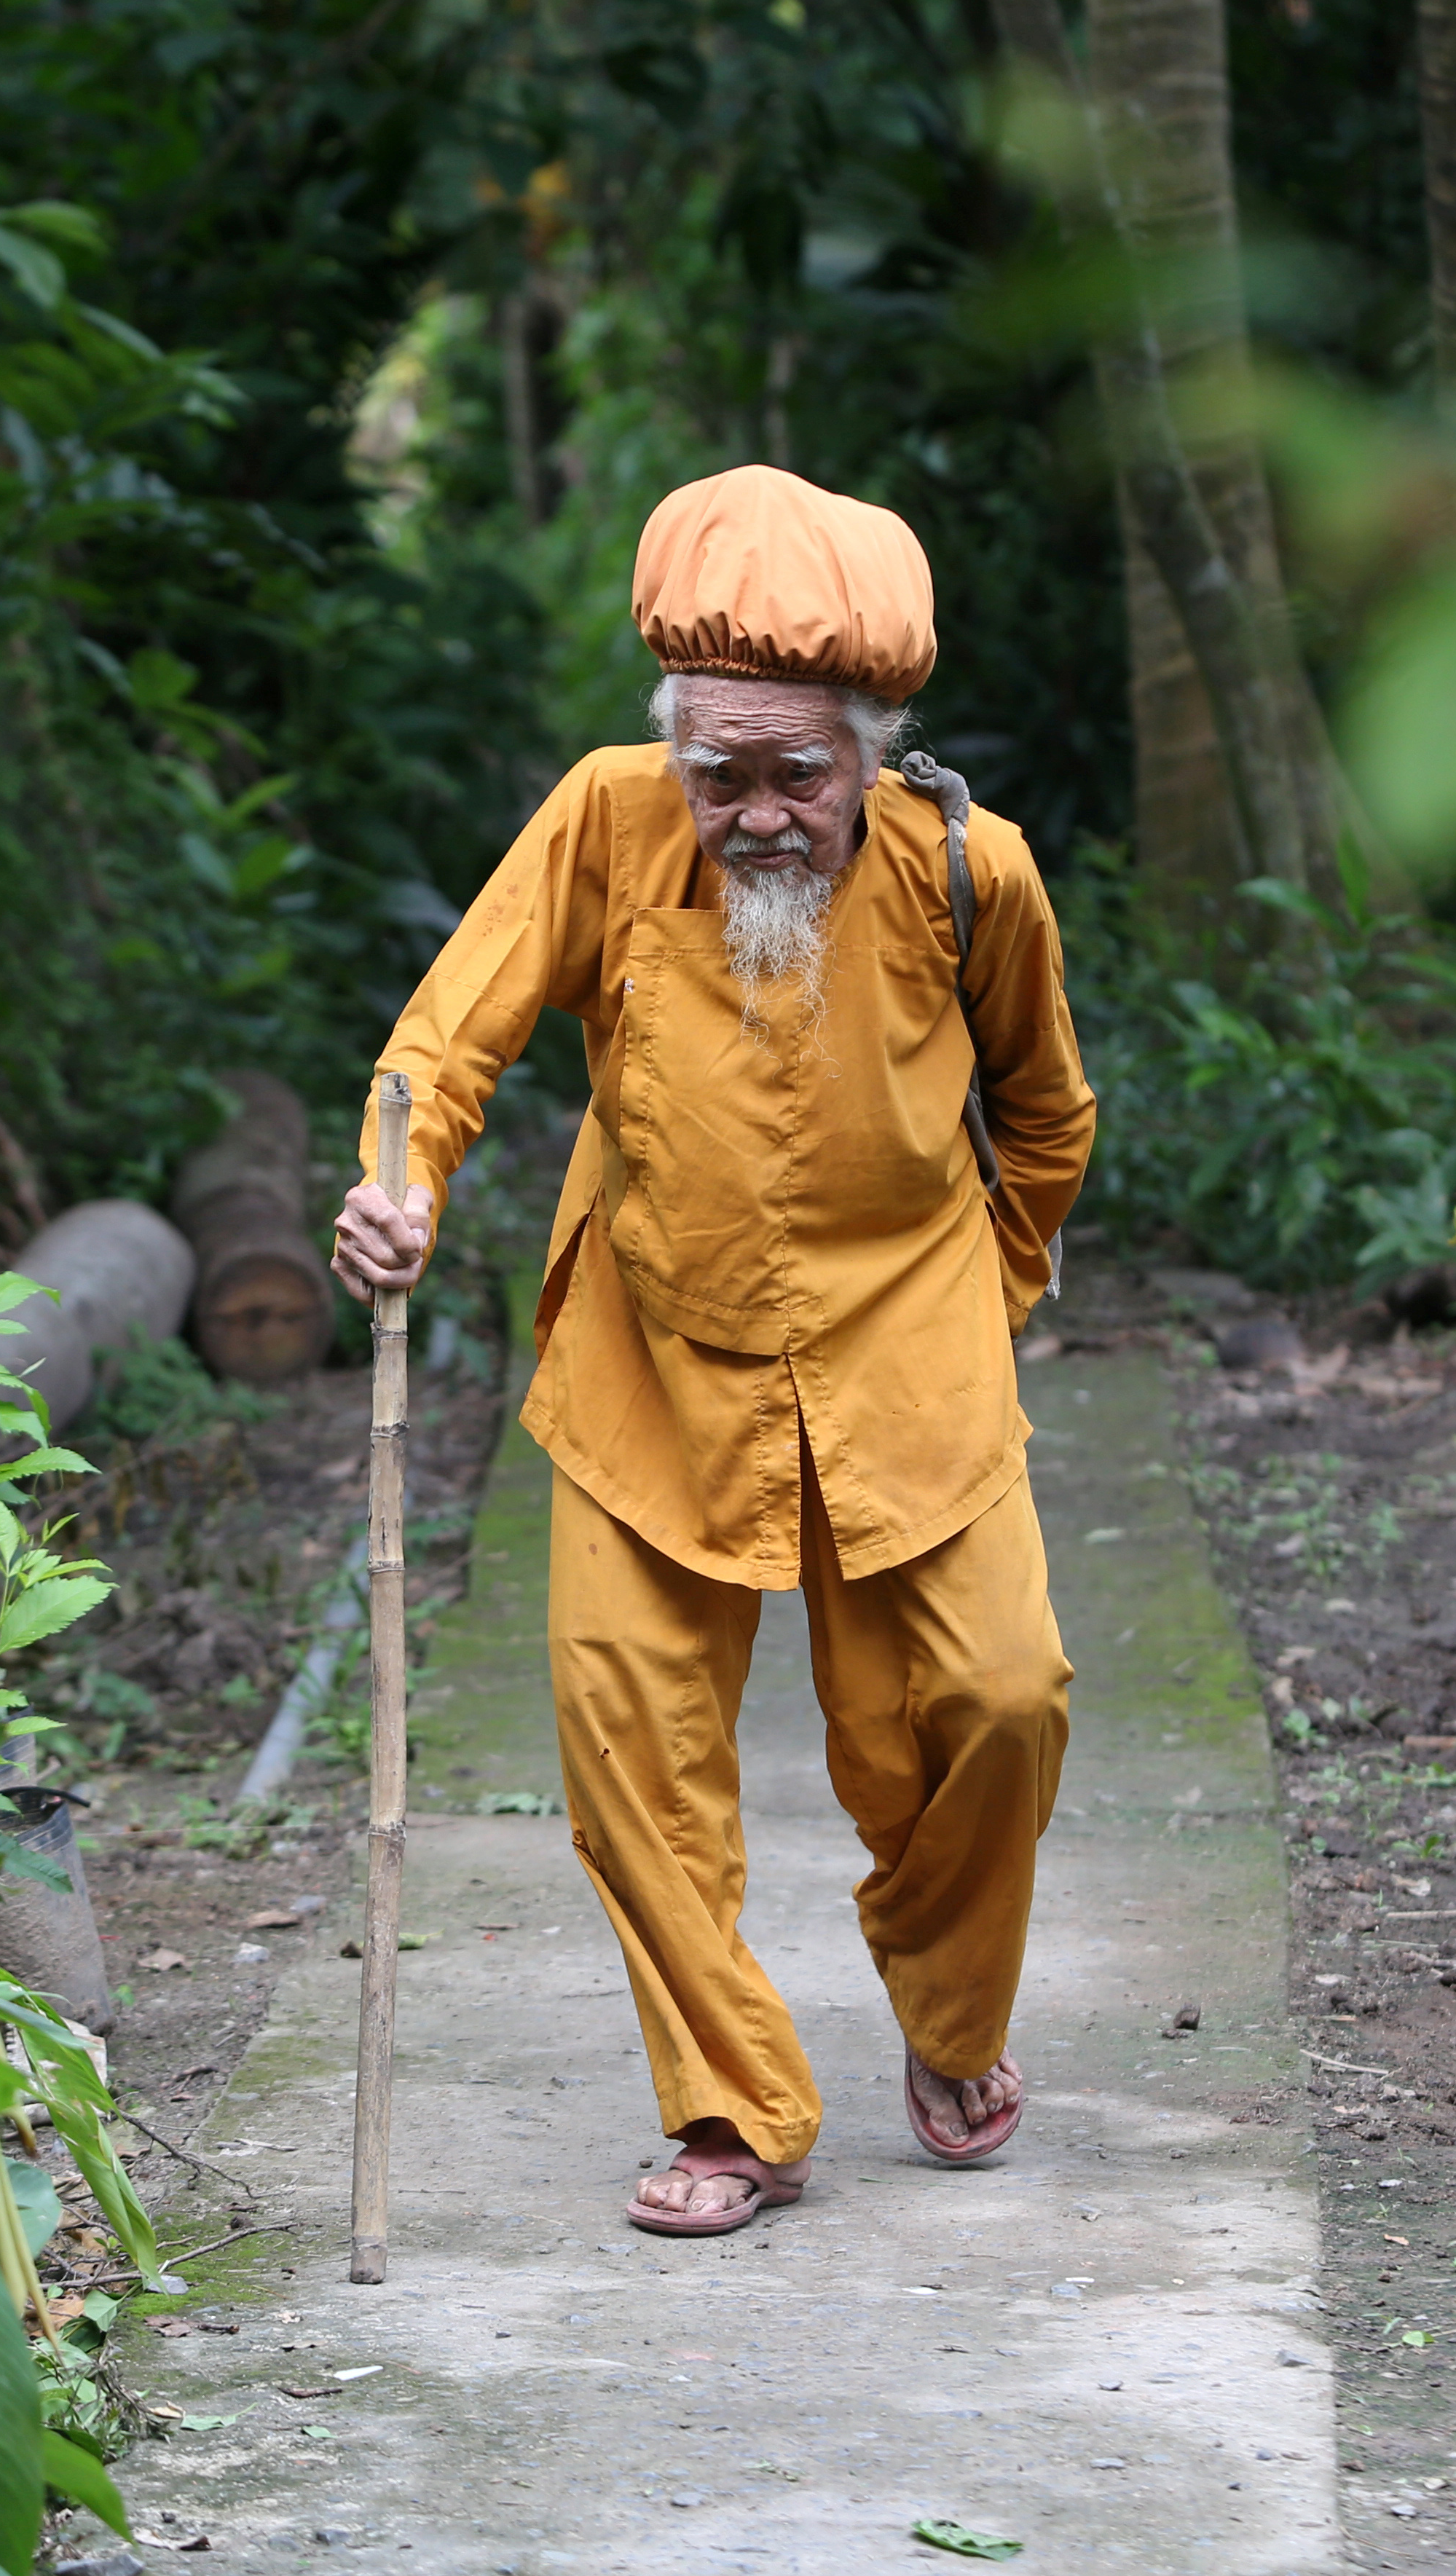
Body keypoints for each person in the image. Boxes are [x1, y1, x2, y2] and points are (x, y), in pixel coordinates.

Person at [327, 463, 1098, 2237]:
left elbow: (1046, 1115)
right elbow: (440, 1046)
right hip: (650, 1355)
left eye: (796, 775)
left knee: (998, 1698)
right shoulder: (604, 822)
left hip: (910, 1342)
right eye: (719, 774)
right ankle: (735, 2107)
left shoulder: (978, 873)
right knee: (626, 1723)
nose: (755, 815)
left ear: (874, 752)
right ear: (671, 751)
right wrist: (398, 1190)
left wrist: (991, 1301)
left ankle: (951, 2004)